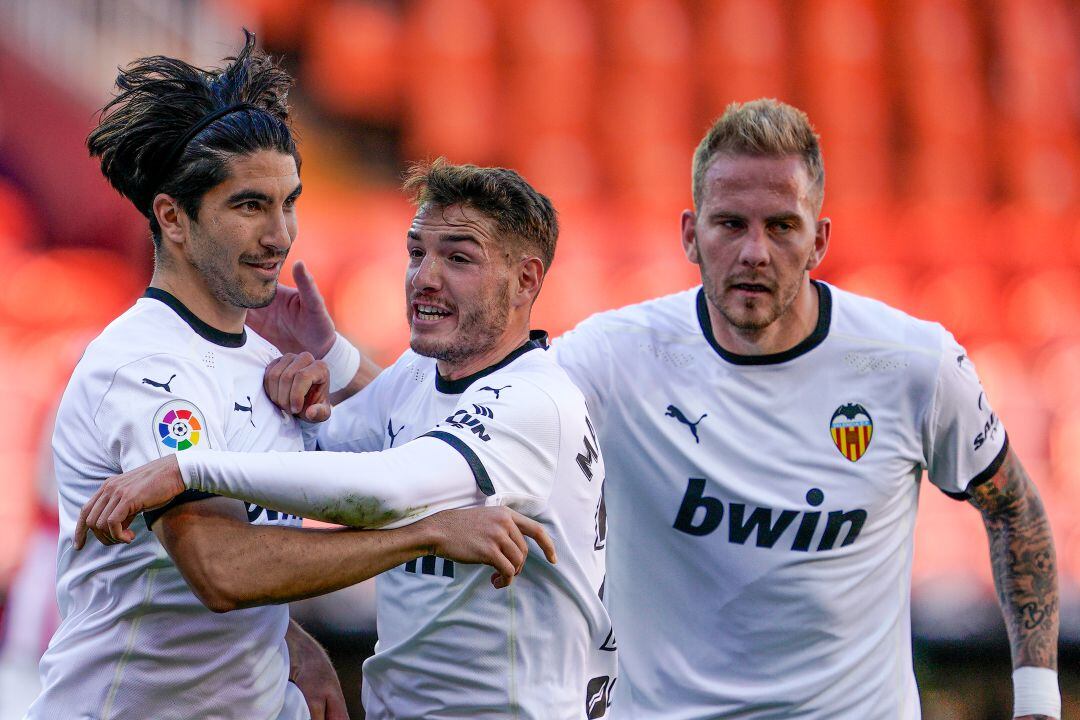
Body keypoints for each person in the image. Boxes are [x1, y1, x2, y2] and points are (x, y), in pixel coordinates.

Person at [31, 35, 549, 720]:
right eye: (250, 206)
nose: (281, 233)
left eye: (289, 203)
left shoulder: (261, 363)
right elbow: (219, 570)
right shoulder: (146, 368)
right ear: (173, 218)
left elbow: (409, 433)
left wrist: (290, 640)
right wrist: (421, 535)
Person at [550, 99, 1060, 718]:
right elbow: (496, 424)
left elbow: (1016, 509)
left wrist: (1038, 701)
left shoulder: (912, 364)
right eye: (730, 224)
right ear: (690, 234)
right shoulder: (614, 359)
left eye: (782, 226)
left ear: (819, 240)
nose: (755, 252)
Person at [77, 160, 616, 720]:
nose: (424, 277)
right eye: (416, 252)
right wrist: (309, 386)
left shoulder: (534, 401)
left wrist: (189, 468)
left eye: (458, 258)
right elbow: (318, 446)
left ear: (526, 279)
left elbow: (386, 490)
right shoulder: (419, 375)